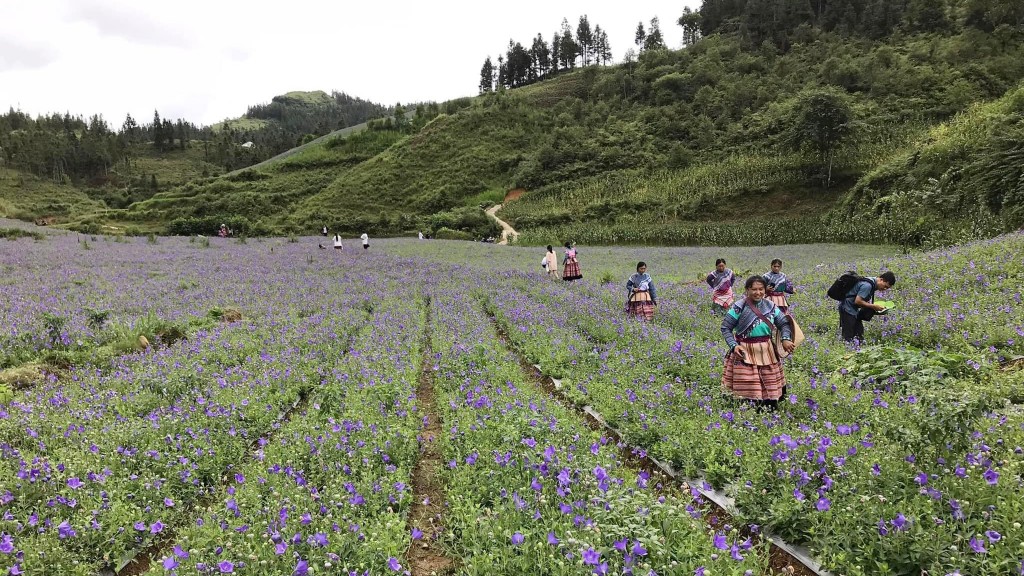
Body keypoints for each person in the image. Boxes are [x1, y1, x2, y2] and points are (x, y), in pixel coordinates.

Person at [721, 275, 795, 410]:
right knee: (747, 384)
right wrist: (733, 345)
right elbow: (726, 328)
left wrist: (785, 339)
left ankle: (769, 408)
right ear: (747, 290)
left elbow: (784, 323)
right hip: (744, 351)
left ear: (765, 290)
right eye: (754, 289)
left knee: (769, 380)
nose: (758, 292)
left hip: (767, 350)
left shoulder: (771, 306)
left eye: (761, 289)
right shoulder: (739, 307)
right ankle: (747, 410)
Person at [840, 271, 896, 343]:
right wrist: (874, 306)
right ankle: (847, 350)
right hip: (847, 309)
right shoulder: (868, 285)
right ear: (881, 279)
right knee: (849, 336)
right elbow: (858, 301)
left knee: (859, 334)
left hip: (853, 310)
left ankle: (857, 350)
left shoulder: (871, 283)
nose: (884, 289)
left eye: (887, 288)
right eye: (885, 286)